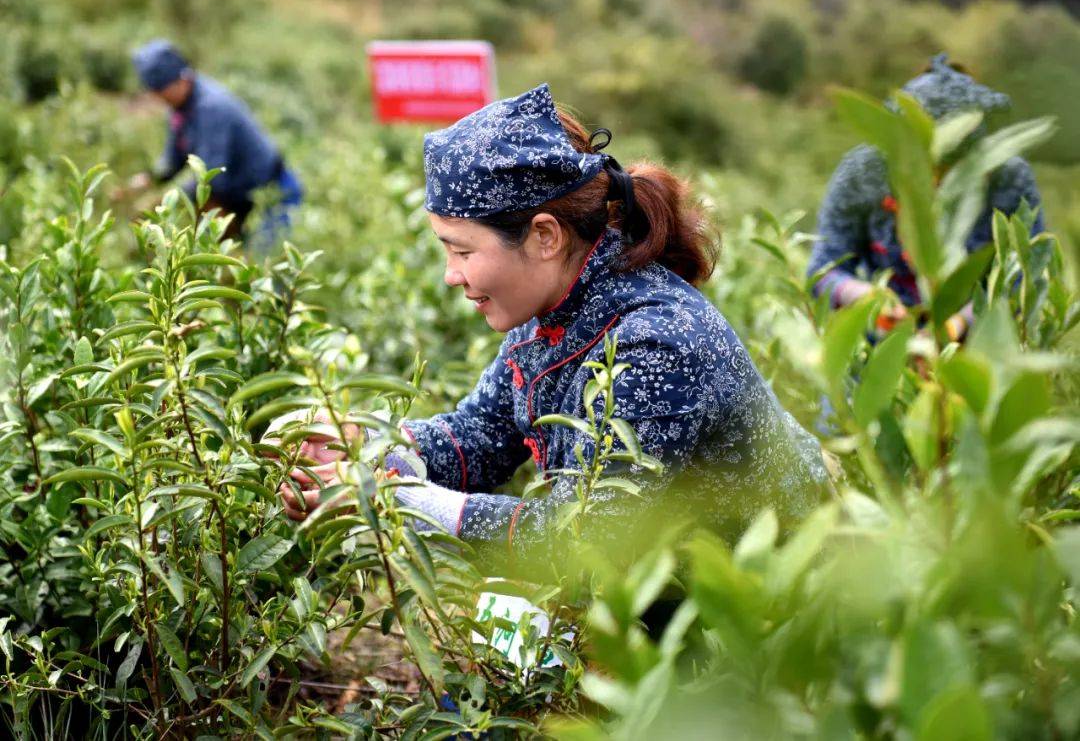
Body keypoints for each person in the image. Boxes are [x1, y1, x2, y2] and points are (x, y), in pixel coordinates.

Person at [274, 84, 826, 568]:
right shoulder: (551, 310)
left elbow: (585, 541)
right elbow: (481, 438)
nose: (451, 275)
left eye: (462, 251)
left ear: (544, 236)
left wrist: (384, 499)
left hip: (773, 618)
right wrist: (364, 447)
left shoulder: (656, 340)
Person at [807, 53, 1046, 342]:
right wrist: (872, 299)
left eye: (950, 171)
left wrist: (957, 324)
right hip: (885, 344)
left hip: (981, 345)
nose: (935, 182)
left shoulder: (1008, 178)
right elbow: (823, 271)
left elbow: (1026, 276)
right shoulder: (863, 173)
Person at [128, 39, 303, 246]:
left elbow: (211, 177)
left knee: (265, 266)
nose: (158, 100)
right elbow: (175, 157)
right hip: (240, 200)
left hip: (272, 194)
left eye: (161, 92)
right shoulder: (180, 107)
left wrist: (167, 202)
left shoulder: (211, 108)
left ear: (180, 80)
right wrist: (150, 179)